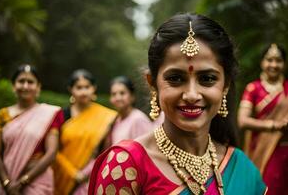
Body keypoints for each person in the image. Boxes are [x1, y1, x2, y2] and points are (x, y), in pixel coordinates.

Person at [88, 13, 267, 195]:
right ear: (153, 83)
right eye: (175, 78)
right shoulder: (126, 165)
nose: (191, 95)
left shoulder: (241, 168)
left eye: (207, 78)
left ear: (225, 86)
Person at [0, 64, 64, 195]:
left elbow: (51, 153)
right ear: (14, 86)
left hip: (37, 182)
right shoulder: (3, 115)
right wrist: (6, 183)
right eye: (21, 81)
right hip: (8, 181)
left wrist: (22, 182)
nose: (25, 86)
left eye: (30, 82)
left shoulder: (50, 114)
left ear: (38, 87)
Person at [53, 69, 117, 195]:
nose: (83, 92)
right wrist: (73, 173)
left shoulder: (106, 116)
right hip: (61, 175)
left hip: (90, 177)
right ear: (71, 89)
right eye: (79, 87)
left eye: (87, 87)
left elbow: (105, 150)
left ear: (94, 88)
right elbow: (54, 149)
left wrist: (86, 173)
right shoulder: (61, 115)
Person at [238, 43, 288, 194]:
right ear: (262, 62)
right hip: (261, 151)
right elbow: (242, 121)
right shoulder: (253, 88)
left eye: (278, 60)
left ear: (284, 63)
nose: (273, 65)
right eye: (269, 60)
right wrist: (274, 125)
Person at [101, 76, 153, 148]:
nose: (118, 98)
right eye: (114, 94)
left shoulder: (138, 119)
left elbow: (147, 149)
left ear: (132, 96)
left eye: (122, 93)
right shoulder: (116, 120)